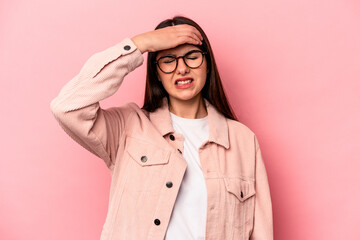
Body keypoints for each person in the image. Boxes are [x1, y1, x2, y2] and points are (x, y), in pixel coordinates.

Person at [50, 15, 273, 240]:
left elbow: (261, 233)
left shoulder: (243, 141)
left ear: (207, 64)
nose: (182, 69)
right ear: (156, 72)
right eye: (168, 60)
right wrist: (140, 44)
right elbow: (67, 107)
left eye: (192, 57)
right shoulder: (128, 128)